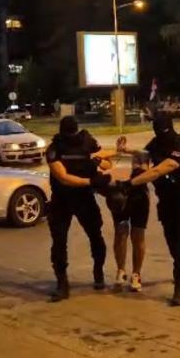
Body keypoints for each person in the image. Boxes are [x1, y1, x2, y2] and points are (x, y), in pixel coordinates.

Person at [118, 112, 180, 306]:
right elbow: (145, 154)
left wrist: (130, 183)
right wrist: (126, 150)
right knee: (172, 243)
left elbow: (160, 169)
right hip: (166, 202)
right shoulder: (156, 144)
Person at [46, 116, 115, 303]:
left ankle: (98, 272)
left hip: (84, 198)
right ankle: (62, 283)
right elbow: (63, 177)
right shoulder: (54, 148)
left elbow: (108, 163)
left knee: (95, 235)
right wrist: (91, 181)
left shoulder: (88, 142)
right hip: (62, 198)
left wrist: (97, 162)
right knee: (59, 241)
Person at [107, 149, 150, 293]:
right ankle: (121, 271)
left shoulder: (142, 158)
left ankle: (136, 274)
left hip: (140, 198)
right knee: (120, 234)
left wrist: (127, 150)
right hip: (119, 196)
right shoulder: (109, 157)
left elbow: (144, 154)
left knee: (138, 236)